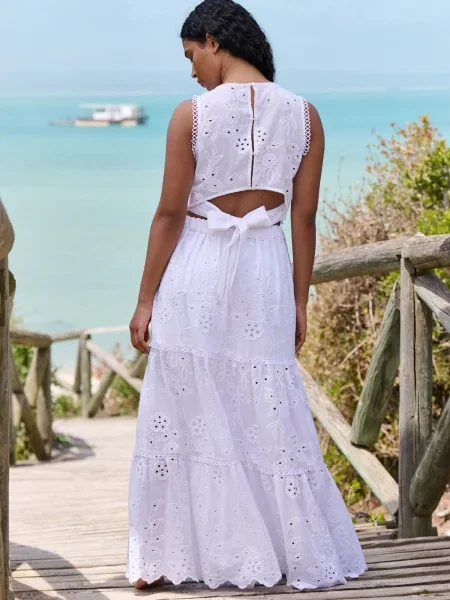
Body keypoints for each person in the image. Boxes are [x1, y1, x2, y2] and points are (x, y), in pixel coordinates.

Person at [126, 0, 367, 591]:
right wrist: (300, 301)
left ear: (214, 40)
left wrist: (145, 300)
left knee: (186, 407)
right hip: (265, 269)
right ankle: (278, 550)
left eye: (192, 55)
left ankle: (174, 555)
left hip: (197, 268)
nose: (192, 71)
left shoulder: (191, 116)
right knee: (266, 408)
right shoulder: (306, 116)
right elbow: (304, 220)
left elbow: (168, 215)